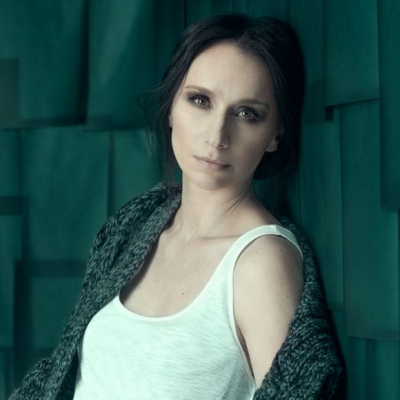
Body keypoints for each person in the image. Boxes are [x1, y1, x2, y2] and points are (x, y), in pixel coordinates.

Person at [9, 12, 343, 400]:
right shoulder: (135, 227)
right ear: (171, 107)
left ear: (275, 134)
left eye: (247, 113)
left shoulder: (261, 262)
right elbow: (62, 375)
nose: (217, 136)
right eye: (200, 100)